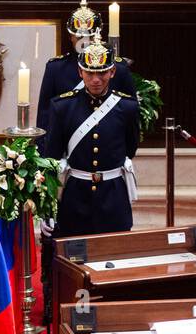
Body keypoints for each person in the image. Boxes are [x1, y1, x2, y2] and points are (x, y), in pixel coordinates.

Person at [37, 0, 136, 322]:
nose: (95, 78)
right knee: (64, 248)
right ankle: (55, 299)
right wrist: (48, 186)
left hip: (109, 184)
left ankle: (109, 306)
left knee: (112, 250)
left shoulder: (118, 75)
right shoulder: (58, 72)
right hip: (73, 181)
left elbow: (129, 140)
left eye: (102, 73)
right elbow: (47, 124)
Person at [43, 34, 141, 241]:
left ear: (113, 71)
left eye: (102, 72)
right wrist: (48, 208)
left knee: (115, 256)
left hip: (113, 194)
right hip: (75, 196)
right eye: (89, 72)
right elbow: (52, 156)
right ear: (80, 72)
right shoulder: (61, 107)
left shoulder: (128, 107)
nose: (96, 79)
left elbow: (130, 148)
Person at [37, 0, 135, 135]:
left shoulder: (118, 68)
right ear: (70, 36)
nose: (83, 41)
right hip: (66, 143)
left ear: (97, 35)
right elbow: (45, 114)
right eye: (78, 36)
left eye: (88, 36)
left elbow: (130, 112)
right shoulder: (56, 68)